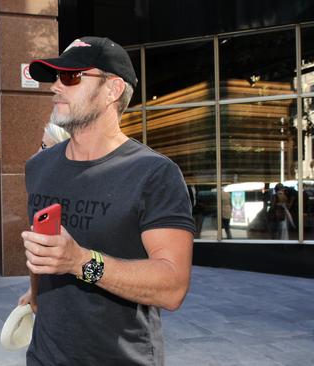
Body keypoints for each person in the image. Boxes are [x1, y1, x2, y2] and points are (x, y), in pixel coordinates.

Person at [19, 36, 195, 365]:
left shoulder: (154, 174)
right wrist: (34, 292)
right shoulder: (38, 167)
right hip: (44, 356)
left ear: (112, 90)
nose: (56, 87)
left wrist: (81, 262)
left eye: (70, 77)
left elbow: (173, 286)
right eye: (56, 77)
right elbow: (43, 250)